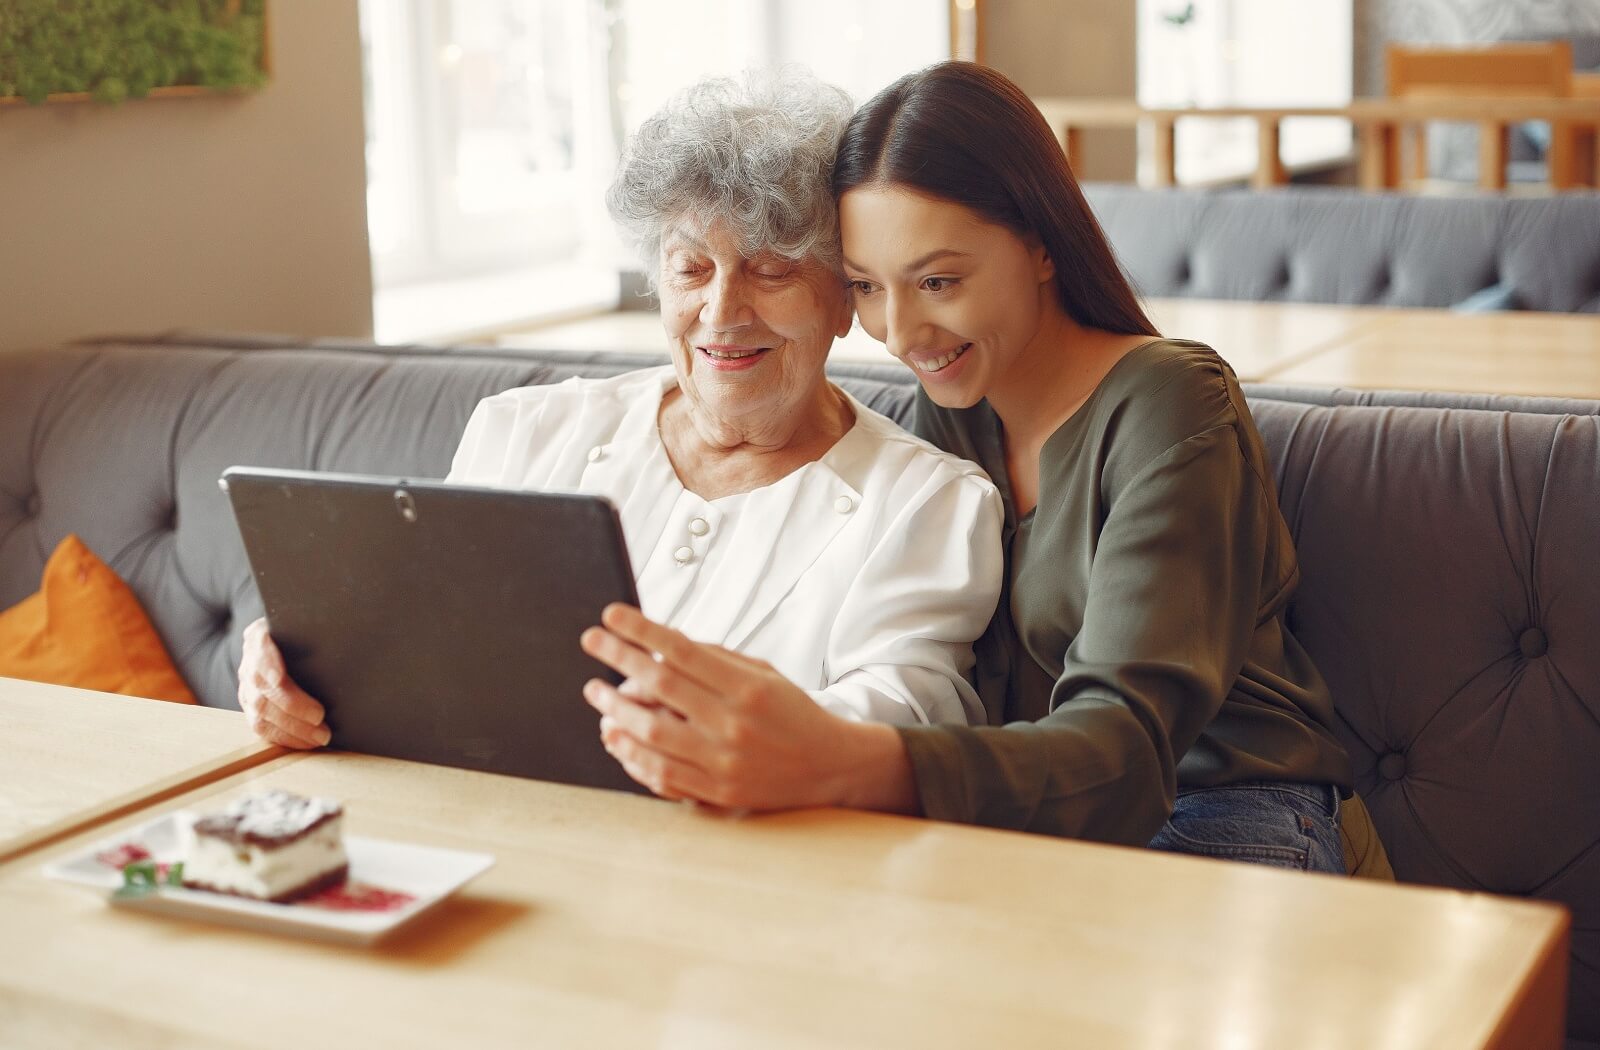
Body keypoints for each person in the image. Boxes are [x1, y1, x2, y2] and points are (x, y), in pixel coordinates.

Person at [581, 62, 1388, 875]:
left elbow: (1130, 746)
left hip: (1230, 808)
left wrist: (841, 756)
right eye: (867, 286)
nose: (901, 333)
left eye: (939, 281)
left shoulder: (1173, 401)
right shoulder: (955, 404)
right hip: (1035, 817)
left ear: (1040, 245)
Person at [237, 70, 1004, 748]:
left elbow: (909, 716)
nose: (722, 310)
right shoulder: (524, 434)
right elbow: (411, 634)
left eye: (771, 270)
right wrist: (301, 662)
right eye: (691, 268)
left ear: (845, 299)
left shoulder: (927, 503)